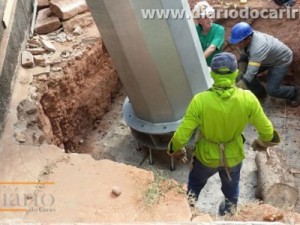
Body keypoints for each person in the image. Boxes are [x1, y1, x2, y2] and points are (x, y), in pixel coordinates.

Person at [167, 52, 280, 216]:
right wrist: (261, 143)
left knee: (195, 183)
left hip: (206, 157)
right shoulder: (248, 98)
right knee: (231, 187)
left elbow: (181, 136)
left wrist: (177, 151)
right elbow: (268, 133)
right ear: (235, 73)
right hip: (233, 156)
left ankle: (188, 211)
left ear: (212, 74)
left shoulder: (200, 100)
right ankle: (229, 211)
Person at [229, 22, 300, 107]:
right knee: (243, 73)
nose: (237, 45)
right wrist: (241, 71)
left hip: (280, 61)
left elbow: (251, 72)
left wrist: (240, 86)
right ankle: (260, 94)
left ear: (248, 39)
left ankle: (295, 92)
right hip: (266, 58)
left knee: (272, 90)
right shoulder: (244, 38)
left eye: (239, 42)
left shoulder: (258, 46)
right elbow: (244, 56)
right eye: (236, 42)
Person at [192, 1, 225, 66]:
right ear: (198, 20)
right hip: (201, 67)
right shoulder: (195, 29)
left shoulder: (219, 29)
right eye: (205, 17)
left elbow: (212, 48)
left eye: (210, 15)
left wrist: (198, 62)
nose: (209, 19)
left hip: (214, 68)